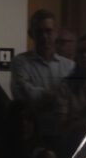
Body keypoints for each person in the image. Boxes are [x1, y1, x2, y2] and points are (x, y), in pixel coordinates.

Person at [10, 9, 75, 145]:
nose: (44, 36)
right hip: (31, 136)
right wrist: (59, 97)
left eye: (48, 31)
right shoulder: (20, 62)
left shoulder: (69, 66)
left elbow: (72, 100)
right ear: (31, 34)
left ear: (56, 33)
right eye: (39, 31)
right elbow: (24, 96)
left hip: (62, 135)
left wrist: (38, 94)